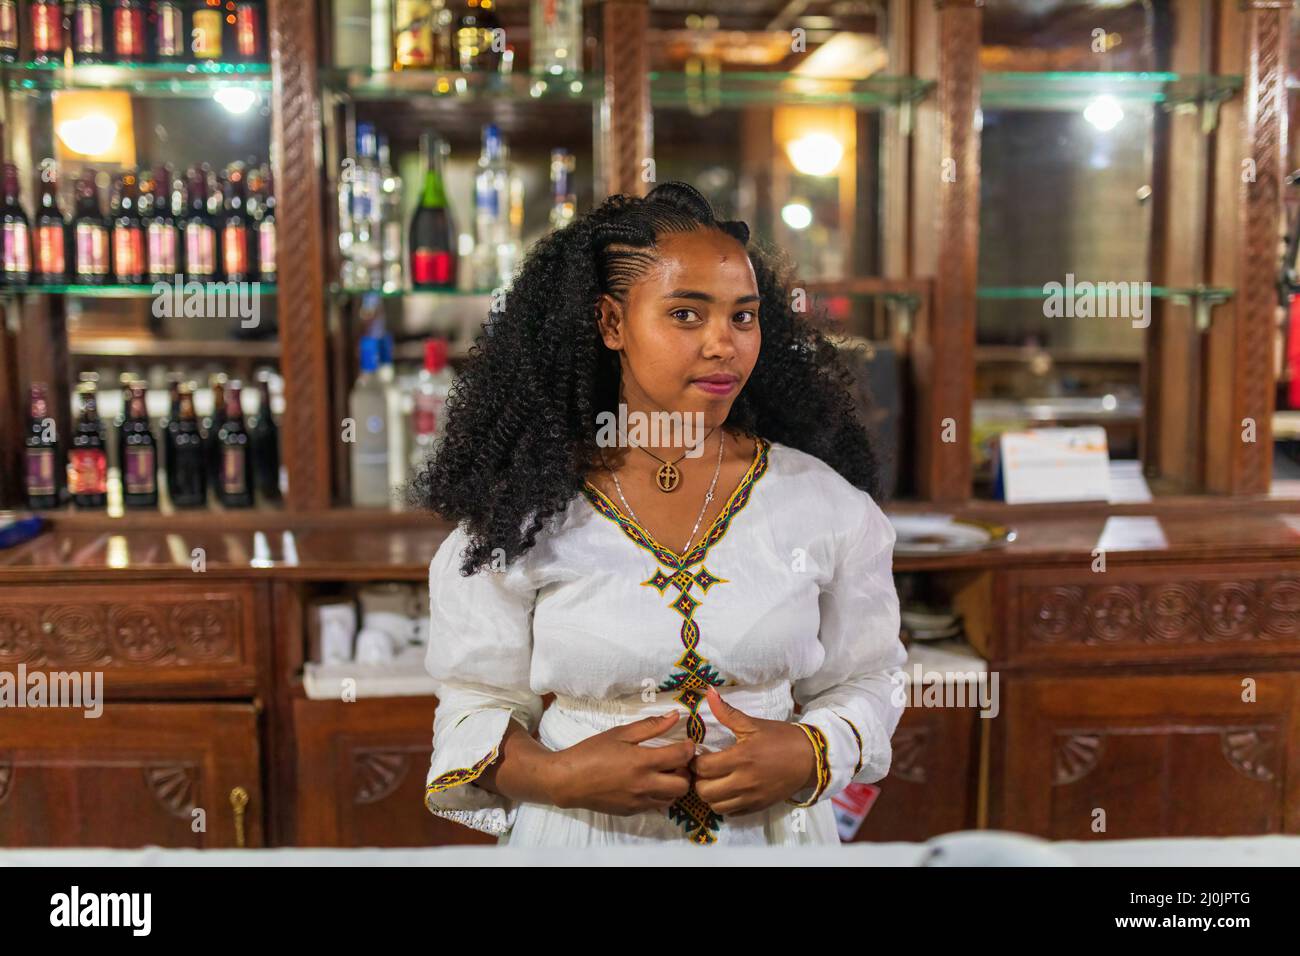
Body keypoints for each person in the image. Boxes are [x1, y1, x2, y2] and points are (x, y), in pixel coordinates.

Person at [412, 181, 905, 847]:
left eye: (743, 316)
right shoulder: (523, 510)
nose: (722, 344)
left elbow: (871, 678)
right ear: (611, 323)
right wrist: (557, 777)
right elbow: (474, 702)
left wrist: (813, 750)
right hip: (581, 841)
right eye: (685, 315)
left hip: (771, 840)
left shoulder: (822, 504)